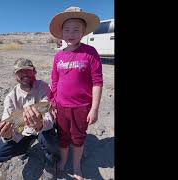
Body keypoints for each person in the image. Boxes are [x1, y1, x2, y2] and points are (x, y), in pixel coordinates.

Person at [49, 6, 103, 180]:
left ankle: (77, 165)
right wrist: (53, 103)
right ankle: (64, 161)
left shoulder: (90, 53)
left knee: (78, 138)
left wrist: (94, 108)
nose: (71, 33)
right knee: (63, 137)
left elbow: (97, 82)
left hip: (81, 107)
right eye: (67, 30)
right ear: (62, 33)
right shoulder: (58, 56)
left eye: (76, 29)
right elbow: (54, 82)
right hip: (61, 107)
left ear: (83, 32)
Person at [0, 58, 59, 179]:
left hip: (42, 129)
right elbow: (9, 130)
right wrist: (7, 135)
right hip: (22, 131)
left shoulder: (43, 87)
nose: (24, 74)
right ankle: (25, 147)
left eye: (28, 71)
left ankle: (50, 160)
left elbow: (49, 116)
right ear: (15, 76)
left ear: (34, 71)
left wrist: (39, 125)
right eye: (20, 72)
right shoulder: (10, 97)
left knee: (49, 140)